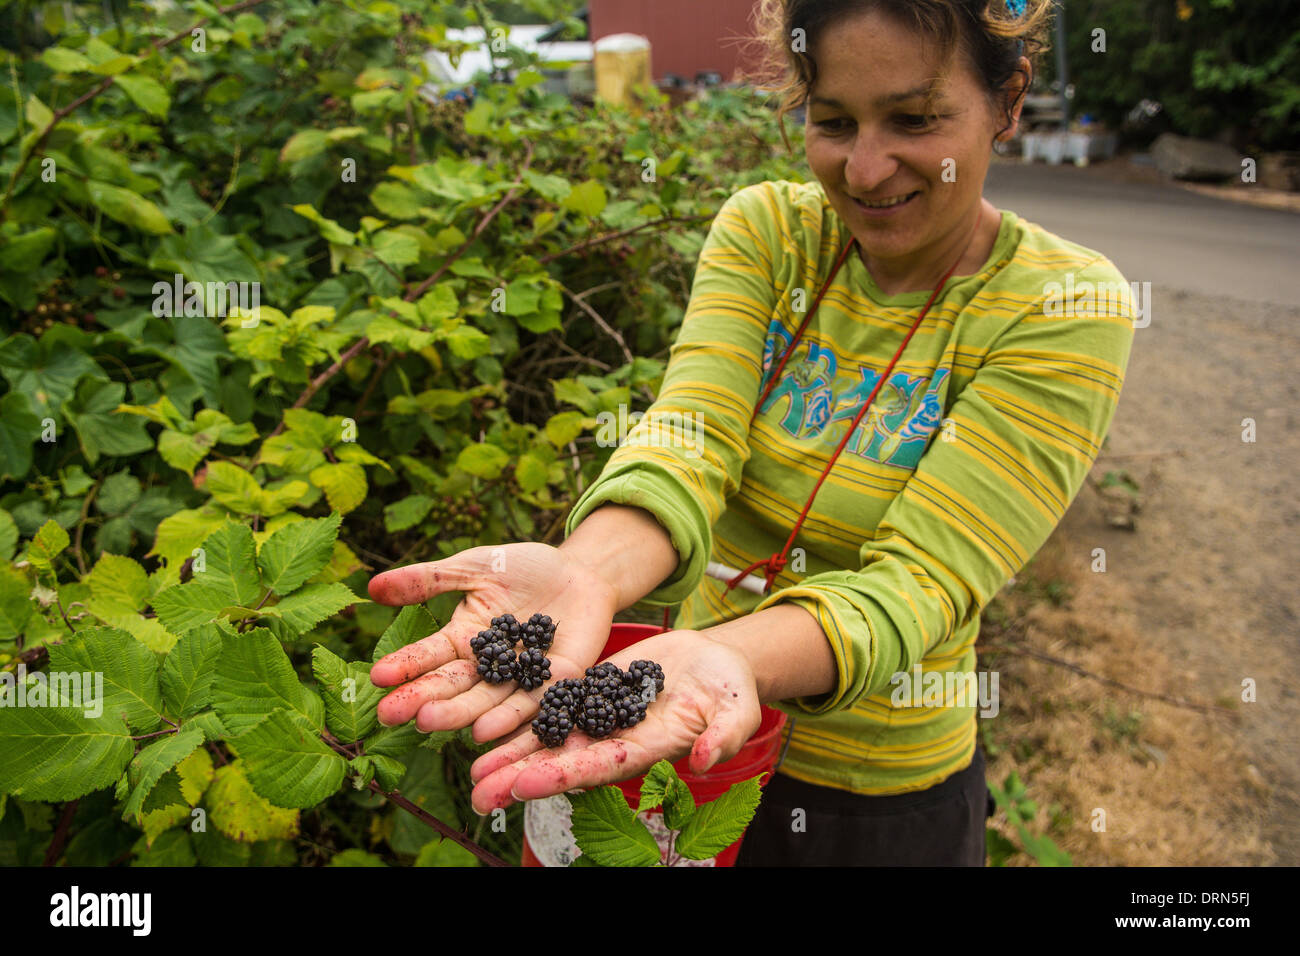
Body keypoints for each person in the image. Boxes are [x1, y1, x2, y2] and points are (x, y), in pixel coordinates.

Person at [366, 0, 1136, 866]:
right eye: (834, 122)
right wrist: (586, 575)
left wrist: (721, 660)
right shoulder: (770, 233)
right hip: (684, 755)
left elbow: (921, 580)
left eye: (915, 120)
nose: (869, 168)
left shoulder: (1063, 305)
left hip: (876, 800)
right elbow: (686, 443)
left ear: (1009, 100)